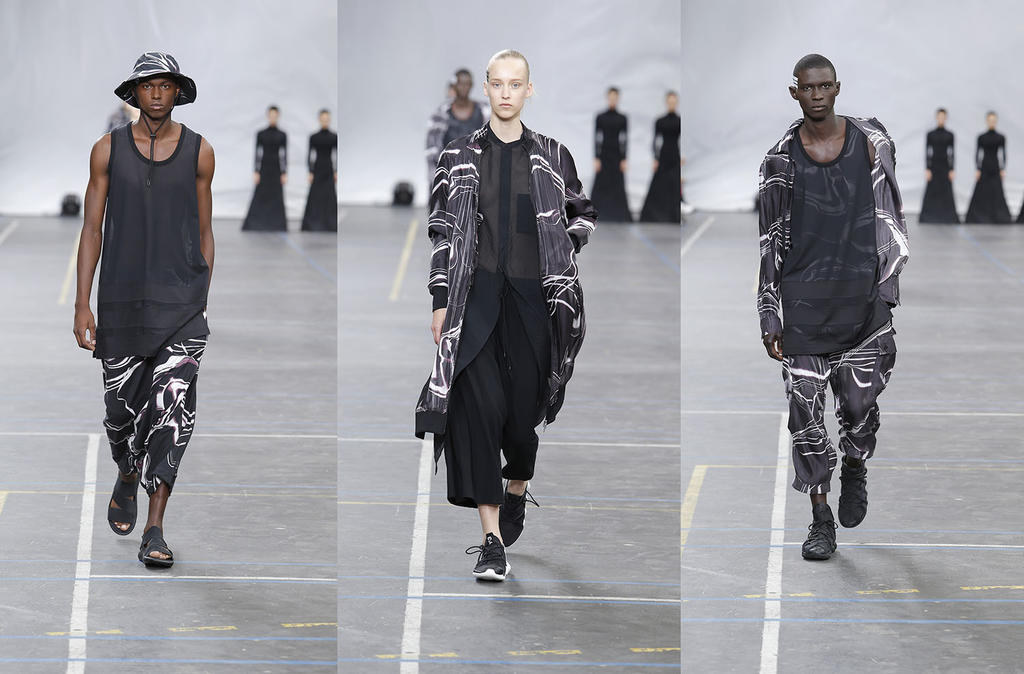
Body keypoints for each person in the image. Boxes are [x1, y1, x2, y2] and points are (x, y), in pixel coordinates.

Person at [415, 49, 597, 581]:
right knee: (479, 412)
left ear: (528, 90)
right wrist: (440, 299)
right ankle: (491, 541)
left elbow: (583, 214)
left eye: (515, 84)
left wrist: (560, 248)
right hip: (473, 303)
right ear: (487, 88)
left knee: (521, 420)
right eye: (498, 83)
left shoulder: (553, 155)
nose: (505, 93)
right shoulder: (457, 156)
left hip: (533, 303)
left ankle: (517, 483)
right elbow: (442, 230)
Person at [757, 54, 909, 561]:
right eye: (808, 87)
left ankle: (856, 464)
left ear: (837, 87)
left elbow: (890, 211)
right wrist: (769, 312)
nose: (817, 94)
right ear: (794, 92)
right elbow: (769, 241)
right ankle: (820, 519)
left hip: (862, 303)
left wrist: (887, 285)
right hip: (803, 306)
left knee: (859, 411)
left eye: (825, 86)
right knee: (804, 415)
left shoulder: (871, 143)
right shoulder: (779, 161)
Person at [73, 52, 215, 568]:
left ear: (178, 92)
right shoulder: (106, 150)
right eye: (148, 85)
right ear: (133, 93)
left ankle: (155, 527)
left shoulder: (200, 152)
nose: (157, 93)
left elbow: (205, 230)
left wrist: (200, 296)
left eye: (165, 85)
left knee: (173, 413)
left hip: (181, 306)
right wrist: (82, 303)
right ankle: (128, 470)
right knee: (121, 415)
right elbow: (92, 228)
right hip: (122, 301)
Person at [425, 68, 491, 184]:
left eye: (467, 83)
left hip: (478, 177)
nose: (464, 87)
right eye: (460, 83)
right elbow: (432, 151)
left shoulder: (484, 111)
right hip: (448, 177)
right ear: (454, 85)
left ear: (471, 85)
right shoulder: (441, 114)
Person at [242, 105, 287, 231]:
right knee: (261, 194)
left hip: (276, 168)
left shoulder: (282, 135)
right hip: (264, 167)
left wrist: (284, 172)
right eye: (271, 115)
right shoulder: (261, 134)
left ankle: (276, 224)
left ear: (278, 116)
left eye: (275, 116)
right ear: (268, 116)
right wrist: (256, 171)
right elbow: (257, 154)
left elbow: (284, 155)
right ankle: (257, 223)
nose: (273, 118)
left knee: (276, 195)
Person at [591, 87, 632, 222]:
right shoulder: (600, 117)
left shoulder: (622, 118)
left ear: (618, 99)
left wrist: (624, 158)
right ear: (608, 98)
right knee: (601, 183)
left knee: (617, 183)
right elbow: (597, 138)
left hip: (617, 154)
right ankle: (597, 213)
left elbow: (624, 139)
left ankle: (618, 214)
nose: (613, 100)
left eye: (615, 98)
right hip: (604, 154)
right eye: (611, 97)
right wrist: (596, 157)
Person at [640, 91, 681, 223]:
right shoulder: (660, 121)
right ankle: (655, 215)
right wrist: (655, 158)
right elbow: (655, 141)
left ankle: (675, 215)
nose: (672, 104)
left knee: (674, 184)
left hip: (675, 154)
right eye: (670, 102)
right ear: (666, 102)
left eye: (674, 102)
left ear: (677, 103)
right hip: (663, 155)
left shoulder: (680, 121)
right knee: (659, 185)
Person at [964, 111, 1011, 224]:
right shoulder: (981, 137)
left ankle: (998, 216)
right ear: (986, 121)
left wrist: (1003, 168)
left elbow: (1003, 154)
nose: (992, 122)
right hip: (984, 166)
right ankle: (978, 216)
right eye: (990, 120)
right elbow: (977, 153)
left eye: (993, 120)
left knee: (997, 192)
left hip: (995, 166)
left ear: (996, 121)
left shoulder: (1001, 137)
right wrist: (977, 168)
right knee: (981, 191)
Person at [919, 108, 959, 223]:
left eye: (943, 117)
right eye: (939, 117)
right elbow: (927, 152)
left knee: (946, 191)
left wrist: (952, 169)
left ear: (946, 118)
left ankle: (947, 216)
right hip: (934, 166)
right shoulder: (930, 134)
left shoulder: (950, 135)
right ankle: (929, 216)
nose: (941, 119)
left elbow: (952, 153)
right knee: (932, 190)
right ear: (936, 118)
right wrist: (927, 168)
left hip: (945, 166)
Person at [301, 108, 338, 232]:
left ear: (330, 120)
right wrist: (310, 171)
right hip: (317, 168)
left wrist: (336, 170)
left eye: (327, 119)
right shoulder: (314, 137)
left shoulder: (334, 137)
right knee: (315, 196)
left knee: (329, 196)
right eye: (323, 119)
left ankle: (330, 224)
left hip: (328, 168)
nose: (325, 121)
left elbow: (336, 155)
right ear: (319, 120)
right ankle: (312, 223)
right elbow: (310, 155)